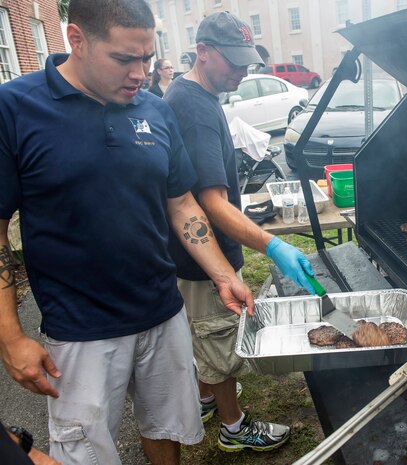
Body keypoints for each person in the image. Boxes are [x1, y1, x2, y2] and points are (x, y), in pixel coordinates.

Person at [0, 1, 255, 464]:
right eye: (123, 59)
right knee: (84, 453)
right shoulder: (16, 107)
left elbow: (180, 203)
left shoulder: (156, 111)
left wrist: (221, 274)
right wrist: (10, 336)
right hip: (79, 330)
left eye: (146, 57)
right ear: (76, 40)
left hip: (161, 311)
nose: (140, 72)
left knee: (165, 427)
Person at [164, 11, 316, 453]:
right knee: (218, 338)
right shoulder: (192, 107)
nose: (242, 72)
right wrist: (272, 243)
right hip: (202, 258)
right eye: (233, 62)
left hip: (191, 255)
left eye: (246, 62)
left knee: (204, 335)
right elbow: (210, 202)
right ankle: (233, 425)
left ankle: (206, 399)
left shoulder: (197, 95)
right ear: (204, 52)